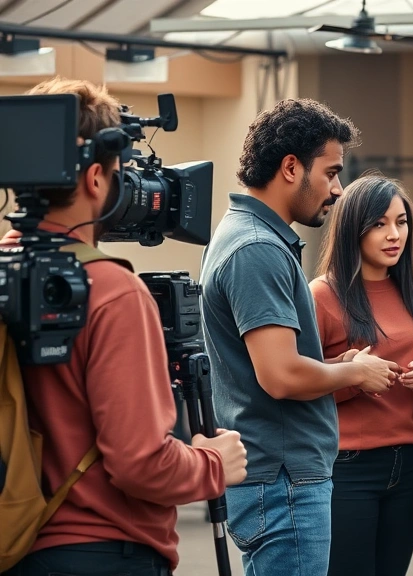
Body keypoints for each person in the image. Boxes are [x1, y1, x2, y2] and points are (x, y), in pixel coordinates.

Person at [3, 77, 248, 576]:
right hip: (101, 552)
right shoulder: (112, 291)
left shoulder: (8, 270)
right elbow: (139, 464)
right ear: (96, 178)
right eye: (121, 173)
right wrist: (214, 463)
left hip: (16, 547)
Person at [200, 99, 399, 576]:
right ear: (291, 167)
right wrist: (356, 371)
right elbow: (281, 375)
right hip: (283, 479)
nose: (338, 188)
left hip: (273, 474)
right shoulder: (258, 249)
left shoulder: (242, 235)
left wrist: (335, 368)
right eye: (330, 172)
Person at [310, 174, 413, 576]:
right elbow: (299, 385)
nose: (394, 235)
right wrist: (353, 376)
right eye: (379, 224)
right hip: (347, 466)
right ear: (354, 227)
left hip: (408, 464)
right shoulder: (322, 294)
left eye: (401, 222)